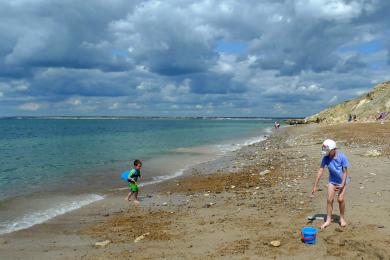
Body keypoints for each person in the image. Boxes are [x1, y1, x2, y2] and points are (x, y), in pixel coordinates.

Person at [311, 139, 350, 229]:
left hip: (342, 181)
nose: (326, 153)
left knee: (340, 199)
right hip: (332, 181)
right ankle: (328, 220)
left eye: (328, 151)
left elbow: (345, 172)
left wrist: (342, 185)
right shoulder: (325, 158)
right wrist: (315, 186)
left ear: (334, 150)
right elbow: (320, 170)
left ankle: (342, 218)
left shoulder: (342, 157)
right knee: (329, 199)